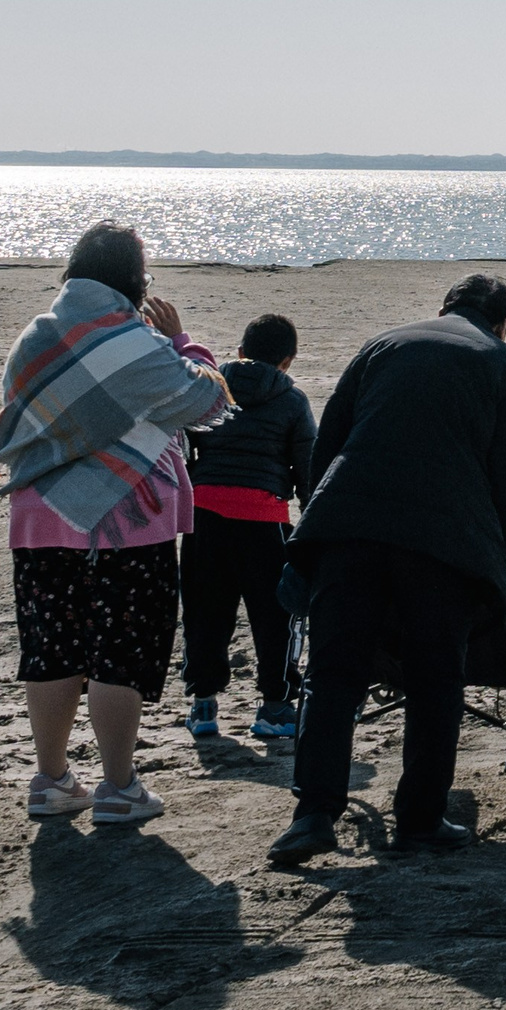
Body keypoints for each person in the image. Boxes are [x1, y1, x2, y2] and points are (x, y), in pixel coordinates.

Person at [268, 273, 506, 865]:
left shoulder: (383, 344)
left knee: (334, 675)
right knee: (435, 677)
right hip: (443, 539)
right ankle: (419, 819)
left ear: (444, 307)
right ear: (502, 324)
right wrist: (496, 556)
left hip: (348, 527)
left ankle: (313, 814)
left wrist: (321, 525)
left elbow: (328, 444)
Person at [0, 222, 229, 825]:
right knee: (122, 650)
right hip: (129, 518)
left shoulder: (35, 337)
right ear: (134, 281)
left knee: (52, 648)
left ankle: (50, 781)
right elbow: (205, 403)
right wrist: (183, 342)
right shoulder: (139, 341)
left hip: (42, 513)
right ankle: (118, 788)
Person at [182, 312, 316, 741]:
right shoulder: (293, 401)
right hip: (263, 517)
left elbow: (188, 448)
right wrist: (311, 518)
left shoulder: (211, 388)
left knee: (205, 610)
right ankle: (274, 707)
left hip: (204, 515)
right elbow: (307, 470)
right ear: (288, 361)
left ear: (240, 352)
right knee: (272, 616)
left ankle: (203, 704)